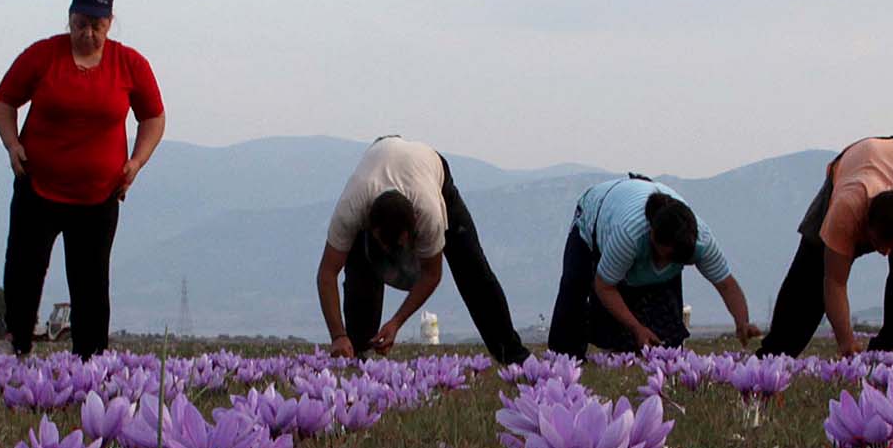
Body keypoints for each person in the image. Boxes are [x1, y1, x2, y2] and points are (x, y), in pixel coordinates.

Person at [0, 0, 164, 356]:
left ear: (110, 23)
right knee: (23, 271)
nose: (88, 33)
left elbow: (153, 117)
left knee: (91, 283)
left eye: (97, 26)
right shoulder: (42, 56)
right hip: (38, 186)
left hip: (98, 196)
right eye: (81, 24)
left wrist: (137, 161)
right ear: (69, 19)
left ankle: (90, 363)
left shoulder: (130, 64)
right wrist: (12, 144)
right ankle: (17, 348)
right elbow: (4, 101)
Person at [315, 135, 526, 365]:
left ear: (413, 228)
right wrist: (338, 335)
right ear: (370, 229)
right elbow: (327, 273)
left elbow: (432, 274)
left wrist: (396, 322)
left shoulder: (429, 213)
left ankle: (511, 354)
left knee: (472, 268)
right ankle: (357, 350)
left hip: (430, 169)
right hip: (381, 162)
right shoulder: (351, 210)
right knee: (360, 266)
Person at [760, 136, 893, 356]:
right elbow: (834, 282)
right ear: (865, 224)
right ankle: (776, 353)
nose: (884, 252)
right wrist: (846, 342)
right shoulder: (846, 210)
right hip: (854, 164)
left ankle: (891, 351)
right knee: (811, 268)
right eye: (879, 243)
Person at [548, 174, 756, 358]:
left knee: (664, 336)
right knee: (575, 287)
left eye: (674, 260)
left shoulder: (702, 242)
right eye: (662, 256)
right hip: (595, 211)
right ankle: (564, 358)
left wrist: (742, 322)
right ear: (652, 236)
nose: (662, 265)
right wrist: (636, 327)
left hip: (635, 209)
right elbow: (604, 286)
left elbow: (726, 284)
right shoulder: (629, 235)